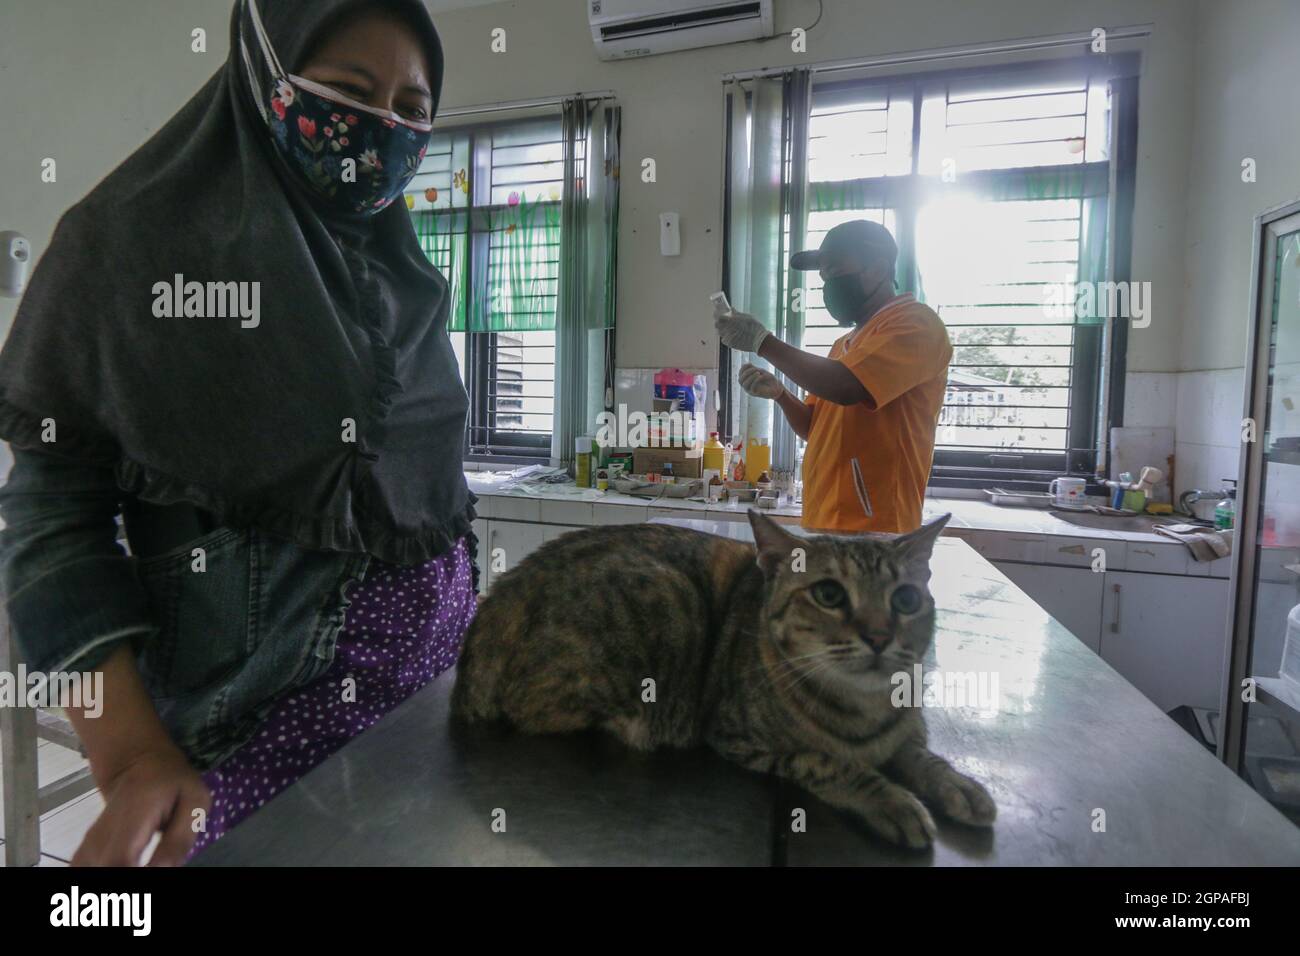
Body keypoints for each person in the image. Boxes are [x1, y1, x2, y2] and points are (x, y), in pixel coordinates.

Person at [0, 0, 476, 865]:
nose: (384, 130)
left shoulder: (401, 274)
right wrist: (133, 754)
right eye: (348, 90)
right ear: (264, 72)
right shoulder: (129, 250)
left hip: (436, 720)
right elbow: (48, 521)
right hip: (270, 747)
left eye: (412, 110)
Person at [714, 220, 952, 534]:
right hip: (824, 519)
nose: (827, 282)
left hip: (877, 526)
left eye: (835, 270)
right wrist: (781, 395)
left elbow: (846, 386)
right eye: (823, 274)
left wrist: (762, 342)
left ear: (878, 270)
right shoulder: (845, 345)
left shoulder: (917, 324)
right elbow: (815, 428)